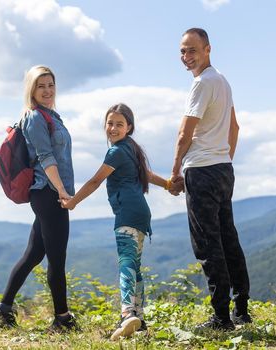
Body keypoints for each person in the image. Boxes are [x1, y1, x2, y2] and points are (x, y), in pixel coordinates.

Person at [61, 103, 183, 340]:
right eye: (110, 123)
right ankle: (139, 317)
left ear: (129, 127)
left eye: (119, 124)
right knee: (134, 264)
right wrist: (168, 185)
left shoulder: (116, 152)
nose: (113, 128)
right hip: (140, 213)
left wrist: (73, 201)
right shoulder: (130, 148)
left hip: (127, 213)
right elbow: (146, 175)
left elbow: (96, 181)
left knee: (126, 262)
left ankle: (128, 314)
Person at [171, 28, 251, 331]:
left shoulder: (203, 84)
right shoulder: (223, 81)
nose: (186, 57)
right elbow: (235, 127)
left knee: (208, 244)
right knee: (229, 238)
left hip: (202, 171)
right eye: (182, 51)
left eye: (192, 50)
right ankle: (241, 309)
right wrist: (225, 157)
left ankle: (220, 318)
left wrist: (176, 170)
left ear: (207, 49)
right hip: (222, 169)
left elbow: (184, 133)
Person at [0, 65, 78, 332]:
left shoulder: (51, 116)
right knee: (57, 258)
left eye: (51, 85)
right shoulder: (35, 118)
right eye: (41, 86)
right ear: (31, 90)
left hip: (49, 194)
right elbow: (45, 158)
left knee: (32, 255)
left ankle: (2, 310)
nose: (48, 90)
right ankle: (62, 319)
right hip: (49, 194)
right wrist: (62, 191)